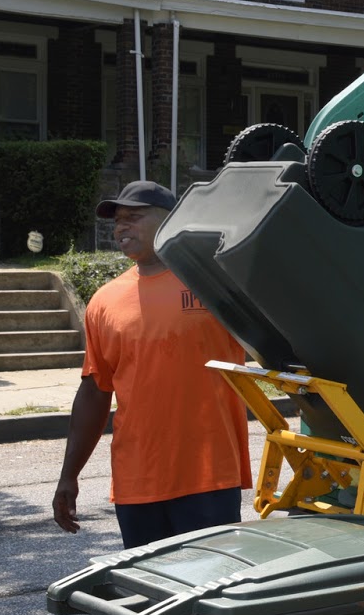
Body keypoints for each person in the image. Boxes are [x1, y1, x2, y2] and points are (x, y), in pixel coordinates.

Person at [52, 180, 252, 548]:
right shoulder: (105, 301)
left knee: (206, 593)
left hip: (208, 476)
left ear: (171, 219)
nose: (121, 227)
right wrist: (69, 475)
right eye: (117, 221)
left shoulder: (214, 282)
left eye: (133, 217)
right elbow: (95, 392)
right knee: (149, 596)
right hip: (137, 481)